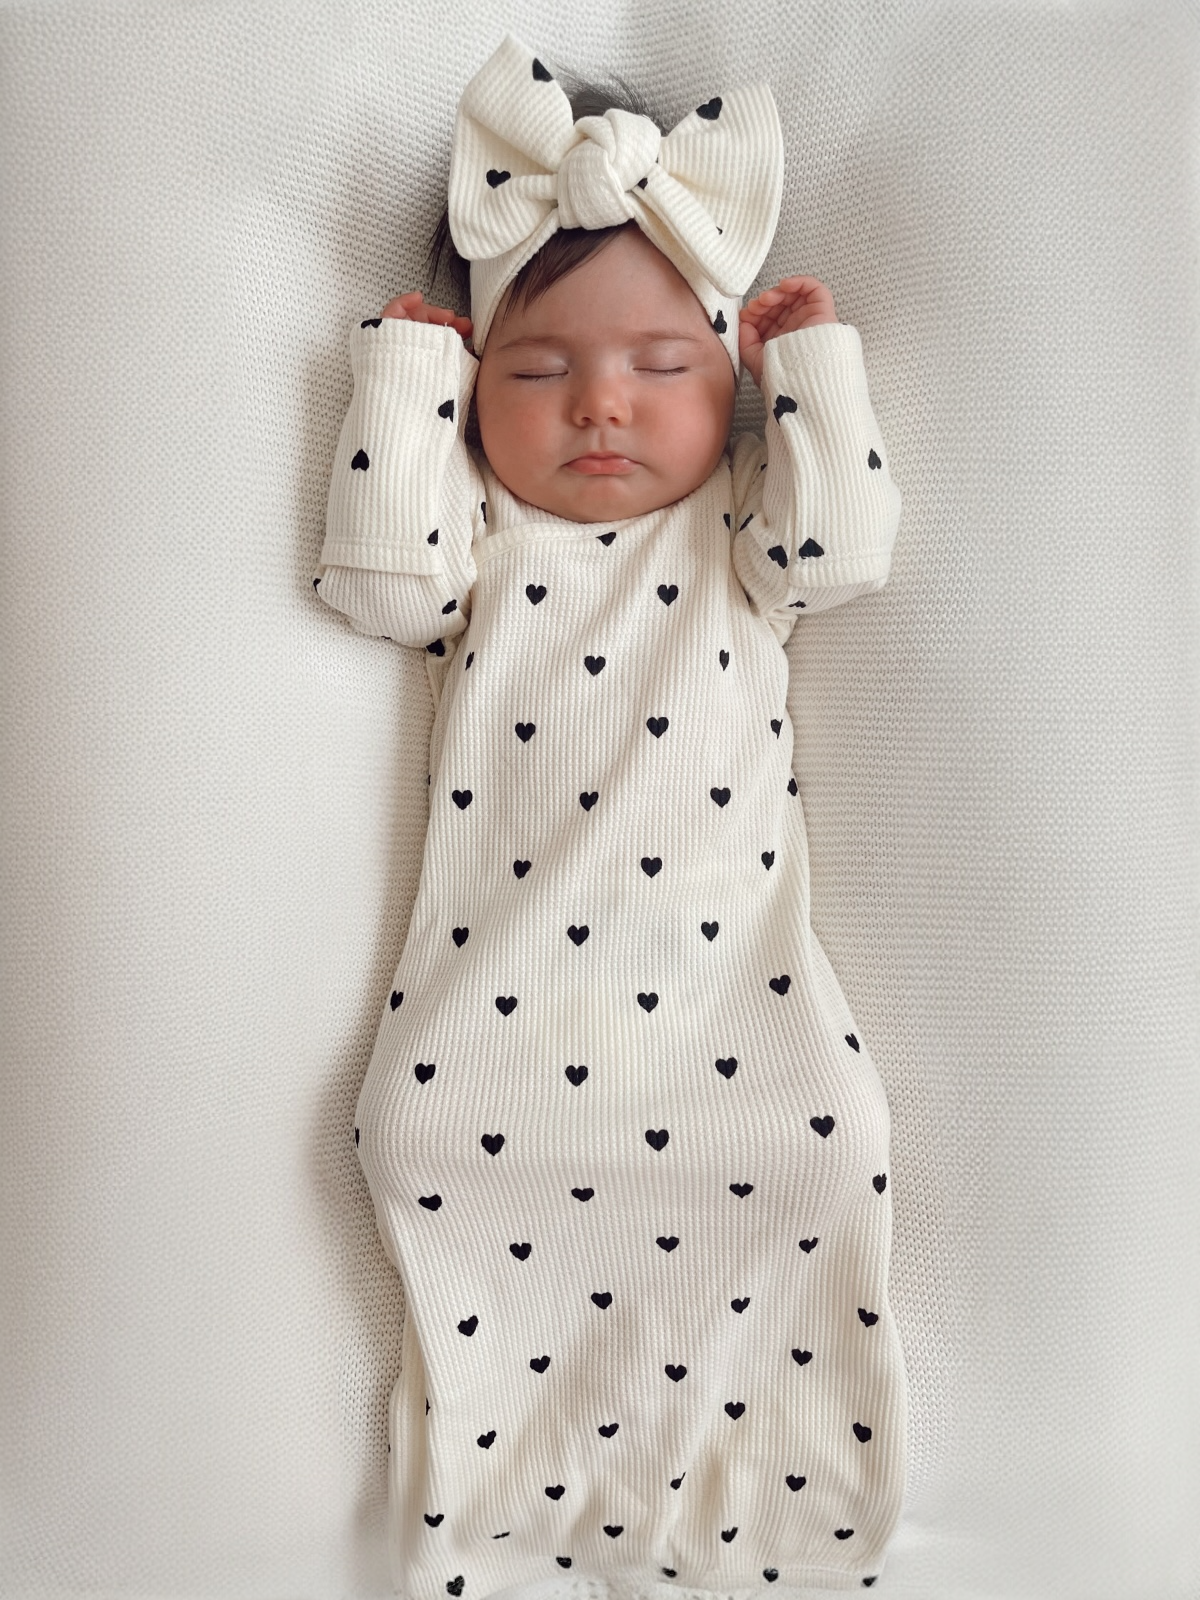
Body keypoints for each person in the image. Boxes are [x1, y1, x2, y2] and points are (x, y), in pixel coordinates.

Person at [315, 33, 908, 1600]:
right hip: (495, 1023)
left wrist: (812, 373)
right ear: (477, 394)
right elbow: (377, 585)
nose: (600, 410)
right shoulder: (484, 549)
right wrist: (406, 369)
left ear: (726, 386)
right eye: (535, 370)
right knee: (426, 1143)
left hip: (730, 1006)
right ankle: (507, 1502)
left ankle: (768, 1495)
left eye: (663, 369)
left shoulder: (732, 546)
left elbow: (845, 550)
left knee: (829, 1149)